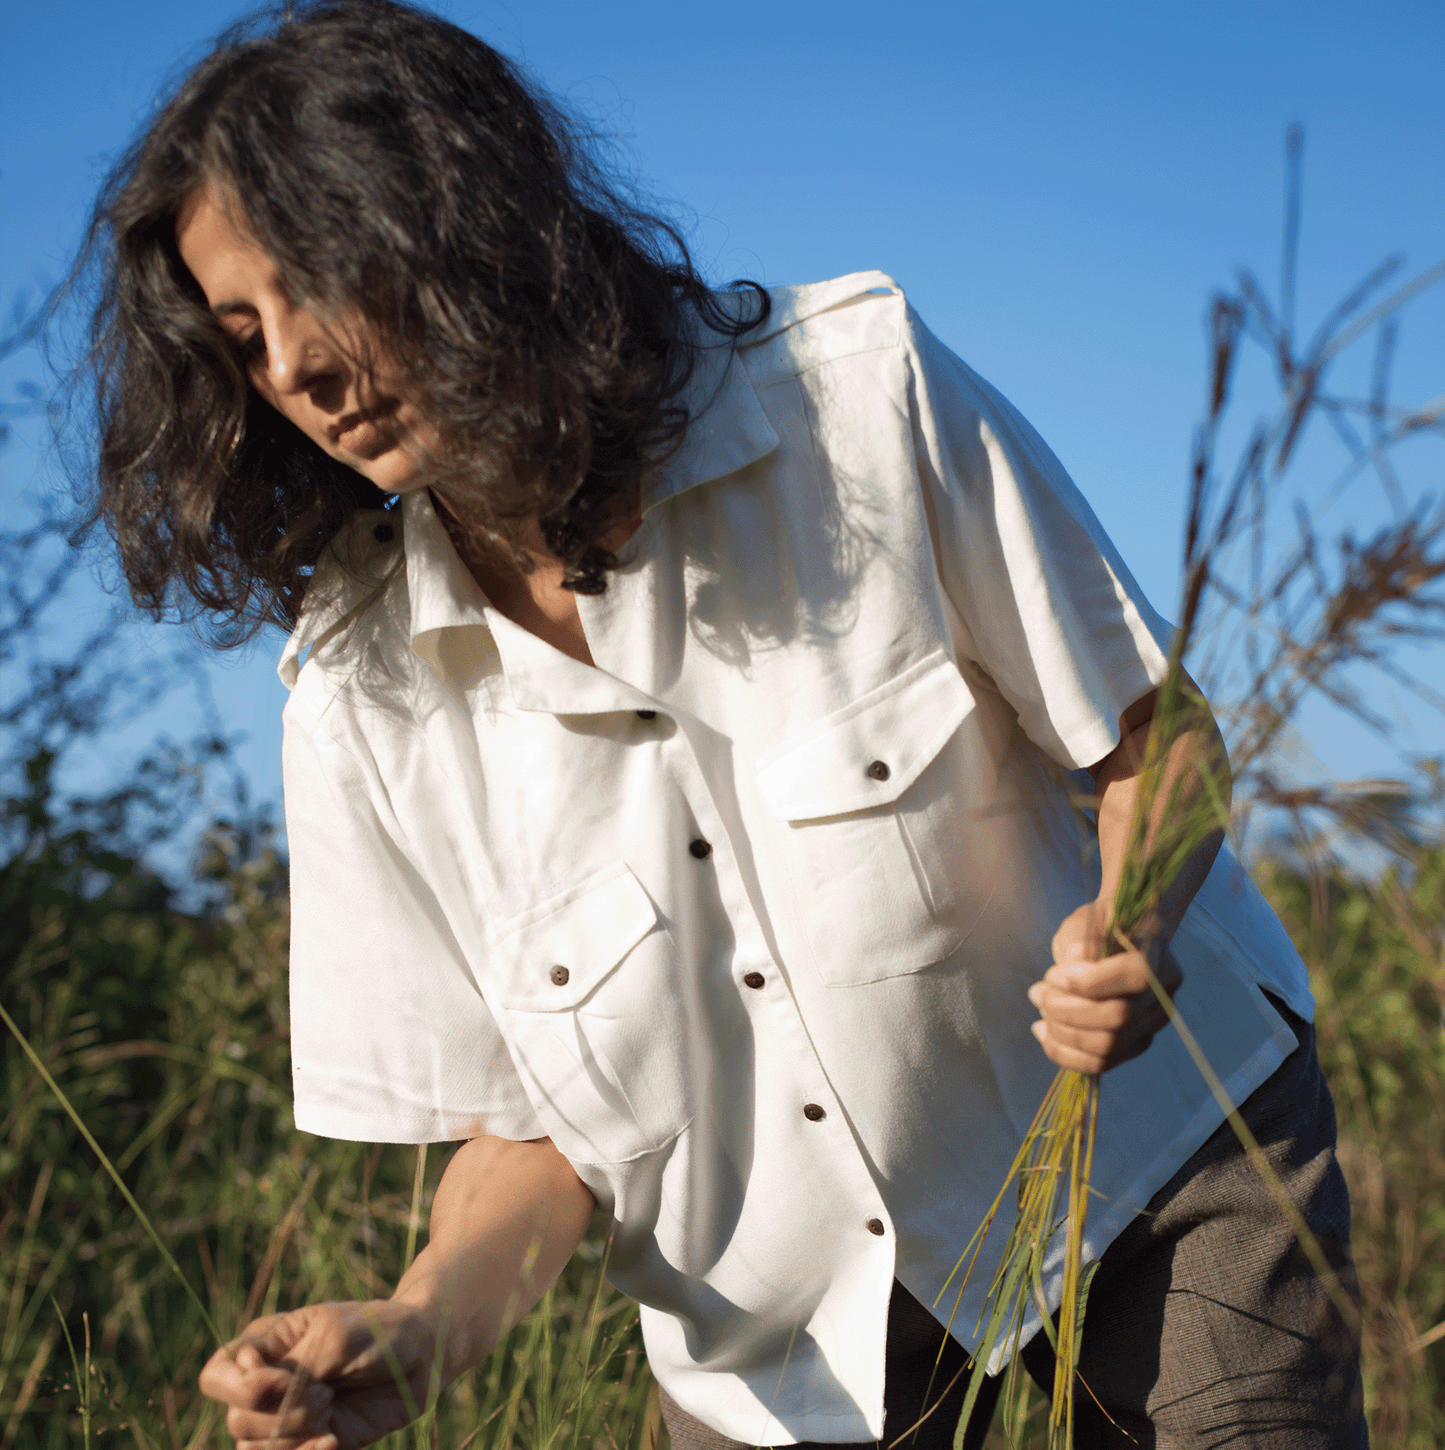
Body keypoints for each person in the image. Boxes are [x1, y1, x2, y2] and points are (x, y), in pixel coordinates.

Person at [77, 2, 1366, 1446]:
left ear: (461, 222)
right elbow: (534, 1126)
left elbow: (1154, 737)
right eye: (244, 337)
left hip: (1155, 1174)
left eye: (318, 285)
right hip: (788, 1342)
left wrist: (1135, 922)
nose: (297, 372)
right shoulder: (358, 689)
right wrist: (425, 1321)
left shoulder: (854, 394)